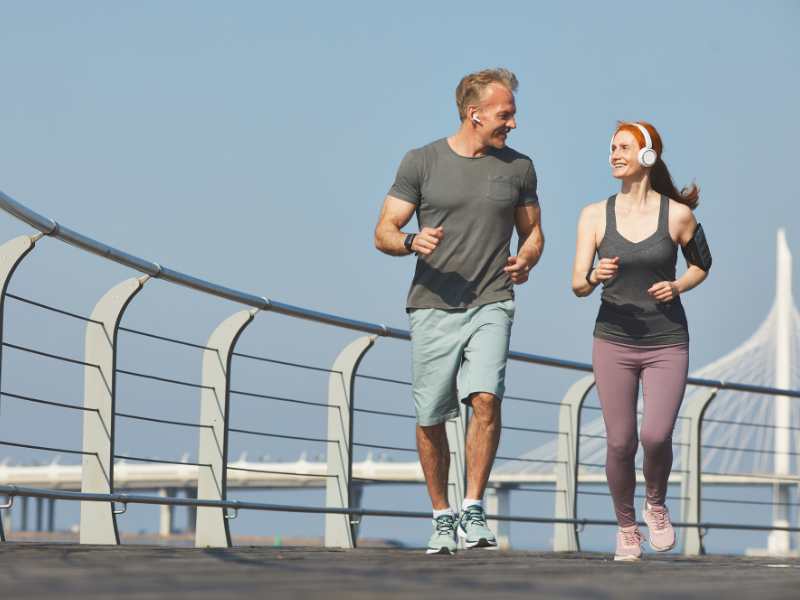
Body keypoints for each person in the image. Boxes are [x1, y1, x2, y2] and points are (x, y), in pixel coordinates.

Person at [374, 68, 544, 554]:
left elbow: (533, 234)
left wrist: (527, 257)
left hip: (493, 298)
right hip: (432, 304)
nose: (513, 123)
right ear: (475, 114)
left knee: (485, 398)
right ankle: (442, 516)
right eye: (504, 114)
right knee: (431, 415)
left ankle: (472, 507)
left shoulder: (519, 168)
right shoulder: (421, 163)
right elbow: (383, 230)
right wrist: (410, 241)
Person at [572, 121, 712, 561]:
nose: (614, 154)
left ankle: (655, 504)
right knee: (619, 442)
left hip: (666, 341)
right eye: (611, 147)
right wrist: (594, 276)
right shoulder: (594, 214)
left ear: (648, 156)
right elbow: (577, 283)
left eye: (624, 147)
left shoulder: (677, 214)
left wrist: (679, 286)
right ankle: (626, 526)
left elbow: (702, 264)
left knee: (655, 435)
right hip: (612, 339)